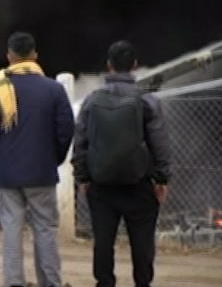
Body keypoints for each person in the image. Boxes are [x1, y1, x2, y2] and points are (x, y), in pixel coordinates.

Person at [0, 32, 74, 287]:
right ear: (34, 56)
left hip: (7, 173)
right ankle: (50, 282)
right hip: (42, 172)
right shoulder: (54, 89)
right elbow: (65, 130)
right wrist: (54, 159)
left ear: (9, 57)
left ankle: (14, 282)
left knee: (11, 230)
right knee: (45, 231)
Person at [72, 40, 172, 287]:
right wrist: (161, 179)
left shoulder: (92, 101)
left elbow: (80, 143)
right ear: (135, 66)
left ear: (109, 66)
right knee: (142, 244)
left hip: (101, 185)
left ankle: (104, 283)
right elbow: (160, 144)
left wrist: (83, 178)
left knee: (103, 243)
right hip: (139, 185)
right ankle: (142, 283)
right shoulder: (148, 101)